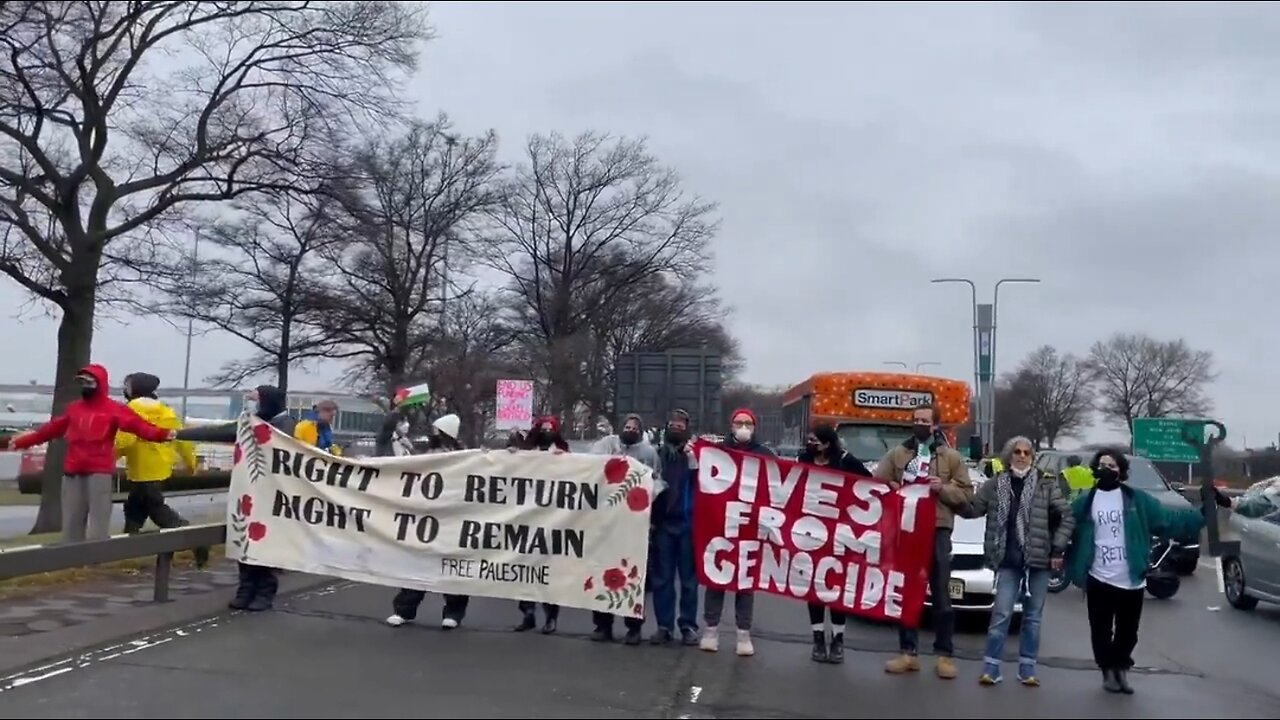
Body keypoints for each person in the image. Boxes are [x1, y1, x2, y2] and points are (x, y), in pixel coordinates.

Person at [1065, 448, 1206, 695]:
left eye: (1112, 465)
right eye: (1102, 464)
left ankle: (1121, 666)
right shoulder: (1085, 502)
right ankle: (1108, 671)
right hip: (1099, 576)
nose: (1107, 469)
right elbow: (1062, 522)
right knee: (1100, 629)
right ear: (1095, 469)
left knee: (1128, 633)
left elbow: (1170, 520)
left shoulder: (1138, 501)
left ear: (1121, 471)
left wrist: (1205, 513)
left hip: (1131, 578)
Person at [8, 364, 175, 542]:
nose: (85, 387)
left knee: (98, 521)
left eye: (90, 382)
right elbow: (52, 429)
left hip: (99, 471)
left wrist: (163, 434)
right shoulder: (75, 409)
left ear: (100, 384)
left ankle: (96, 559)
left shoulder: (114, 409)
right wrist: (23, 441)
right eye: (82, 383)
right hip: (73, 471)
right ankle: (73, 559)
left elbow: (139, 427)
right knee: (72, 519)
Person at [958, 436, 1074, 686]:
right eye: (1017, 452)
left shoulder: (1046, 484)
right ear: (1009, 456)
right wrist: (949, 493)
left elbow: (1066, 517)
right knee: (1001, 614)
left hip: (1039, 562)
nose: (1021, 456)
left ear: (1032, 458)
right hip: (1007, 561)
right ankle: (991, 668)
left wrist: (1057, 549)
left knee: (1032, 618)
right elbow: (971, 510)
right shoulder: (995, 485)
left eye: (1026, 453)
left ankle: (1027, 669)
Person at [876, 404, 973, 680]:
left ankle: (944, 655)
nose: (919, 424)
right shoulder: (898, 454)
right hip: (906, 530)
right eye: (915, 419)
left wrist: (942, 488)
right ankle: (908, 652)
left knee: (942, 595)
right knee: (907, 593)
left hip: (938, 530)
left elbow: (966, 494)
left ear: (935, 425)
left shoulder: (951, 457)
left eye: (924, 420)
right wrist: (891, 487)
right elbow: (877, 482)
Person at [178, 386, 295, 611]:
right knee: (245, 539)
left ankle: (264, 591)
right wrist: (179, 434)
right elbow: (223, 432)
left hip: (272, 494)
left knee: (265, 542)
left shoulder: (285, 425)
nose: (253, 405)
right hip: (249, 491)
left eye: (256, 400)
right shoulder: (252, 422)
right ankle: (245, 589)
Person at [114, 372, 210, 567]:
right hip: (161, 468)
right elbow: (182, 440)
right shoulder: (167, 412)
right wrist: (191, 463)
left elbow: (124, 440)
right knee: (134, 507)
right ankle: (126, 548)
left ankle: (197, 540)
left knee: (158, 513)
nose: (124, 389)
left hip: (141, 470)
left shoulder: (129, 411)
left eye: (127, 386)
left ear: (135, 389)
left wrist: (107, 457)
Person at [701, 407, 775, 657]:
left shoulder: (764, 454)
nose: (743, 427)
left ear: (754, 427)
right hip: (720, 524)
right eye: (738, 422)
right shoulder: (719, 453)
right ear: (731, 426)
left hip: (750, 527)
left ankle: (744, 634)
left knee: (745, 581)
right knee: (716, 578)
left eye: (748, 423)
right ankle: (711, 630)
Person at [387, 414, 471, 629]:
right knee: (418, 563)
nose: (433, 435)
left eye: (437, 431)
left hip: (452, 518)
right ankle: (404, 610)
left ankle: (453, 612)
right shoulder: (425, 454)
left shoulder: (464, 455)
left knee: (451, 567)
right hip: (425, 517)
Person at [797, 422, 870, 664]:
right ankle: (818, 638)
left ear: (828, 443)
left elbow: (870, 486)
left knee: (837, 587)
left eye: (815, 440)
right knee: (815, 588)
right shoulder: (803, 460)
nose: (811, 444)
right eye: (809, 440)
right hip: (812, 533)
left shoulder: (846, 461)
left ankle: (838, 640)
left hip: (840, 534)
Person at [589, 413, 660, 644]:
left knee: (631, 576)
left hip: (634, 524)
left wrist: (649, 496)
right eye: (627, 426)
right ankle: (602, 625)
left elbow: (657, 480)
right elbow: (587, 467)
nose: (630, 429)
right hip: (607, 522)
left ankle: (633, 627)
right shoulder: (606, 446)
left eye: (634, 427)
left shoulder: (648, 453)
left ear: (640, 431)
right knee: (604, 573)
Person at [512, 415, 569, 633]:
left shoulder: (564, 452)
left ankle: (551, 616)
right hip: (527, 519)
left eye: (550, 428)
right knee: (524, 569)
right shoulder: (527, 453)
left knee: (549, 571)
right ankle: (527, 613)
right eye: (543, 428)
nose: (547, 432)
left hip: (552, 520)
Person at [650, 408, 700, 647]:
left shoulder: (697, 457)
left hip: (689, 524)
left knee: (689, 580)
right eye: (673, 424)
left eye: (681, 425)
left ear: (687, 428)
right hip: (663, 525)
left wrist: (696, 463)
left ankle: (688, 625)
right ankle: (664, 625)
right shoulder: (658, 454)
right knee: (662, 579)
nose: (676, 428)